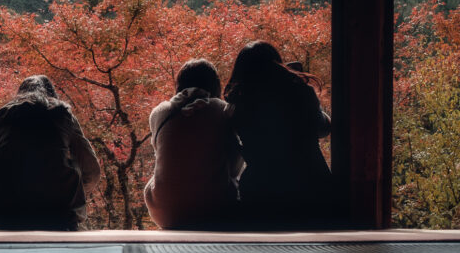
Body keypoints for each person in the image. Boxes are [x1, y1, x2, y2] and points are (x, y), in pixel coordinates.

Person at [223, 41, 336, 228]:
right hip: (312, 189)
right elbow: (323, 128)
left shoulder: (238, 103)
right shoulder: (302, 92)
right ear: (278, 63)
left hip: (262, 193)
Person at [0, 75, 101, 231]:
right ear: (51, 93)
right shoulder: (62, 114)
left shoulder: (1, 118)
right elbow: (92, 170)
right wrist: (75, 190)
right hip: (58, 211)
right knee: (74, 162)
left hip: (7, 212)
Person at [143, 59, 243, 230]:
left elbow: (163, 156)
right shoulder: (224, 110)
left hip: (166, 214)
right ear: (215, 84)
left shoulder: (160, 112)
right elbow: (235, 166)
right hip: (215, 212)